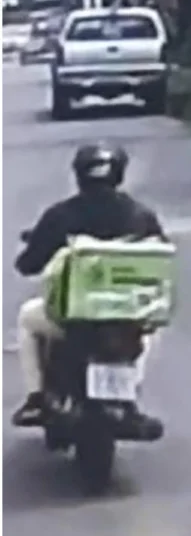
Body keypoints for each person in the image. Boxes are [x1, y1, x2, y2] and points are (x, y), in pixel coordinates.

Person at [12, 143, 166, 429]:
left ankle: (36, 398)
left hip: (71, 319)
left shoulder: (60, 216)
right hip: (123, 319)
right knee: (149, 331)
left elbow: (28, 264)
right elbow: (159, 260)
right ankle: (127, 397)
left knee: (27, 319)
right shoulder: (141, 216)